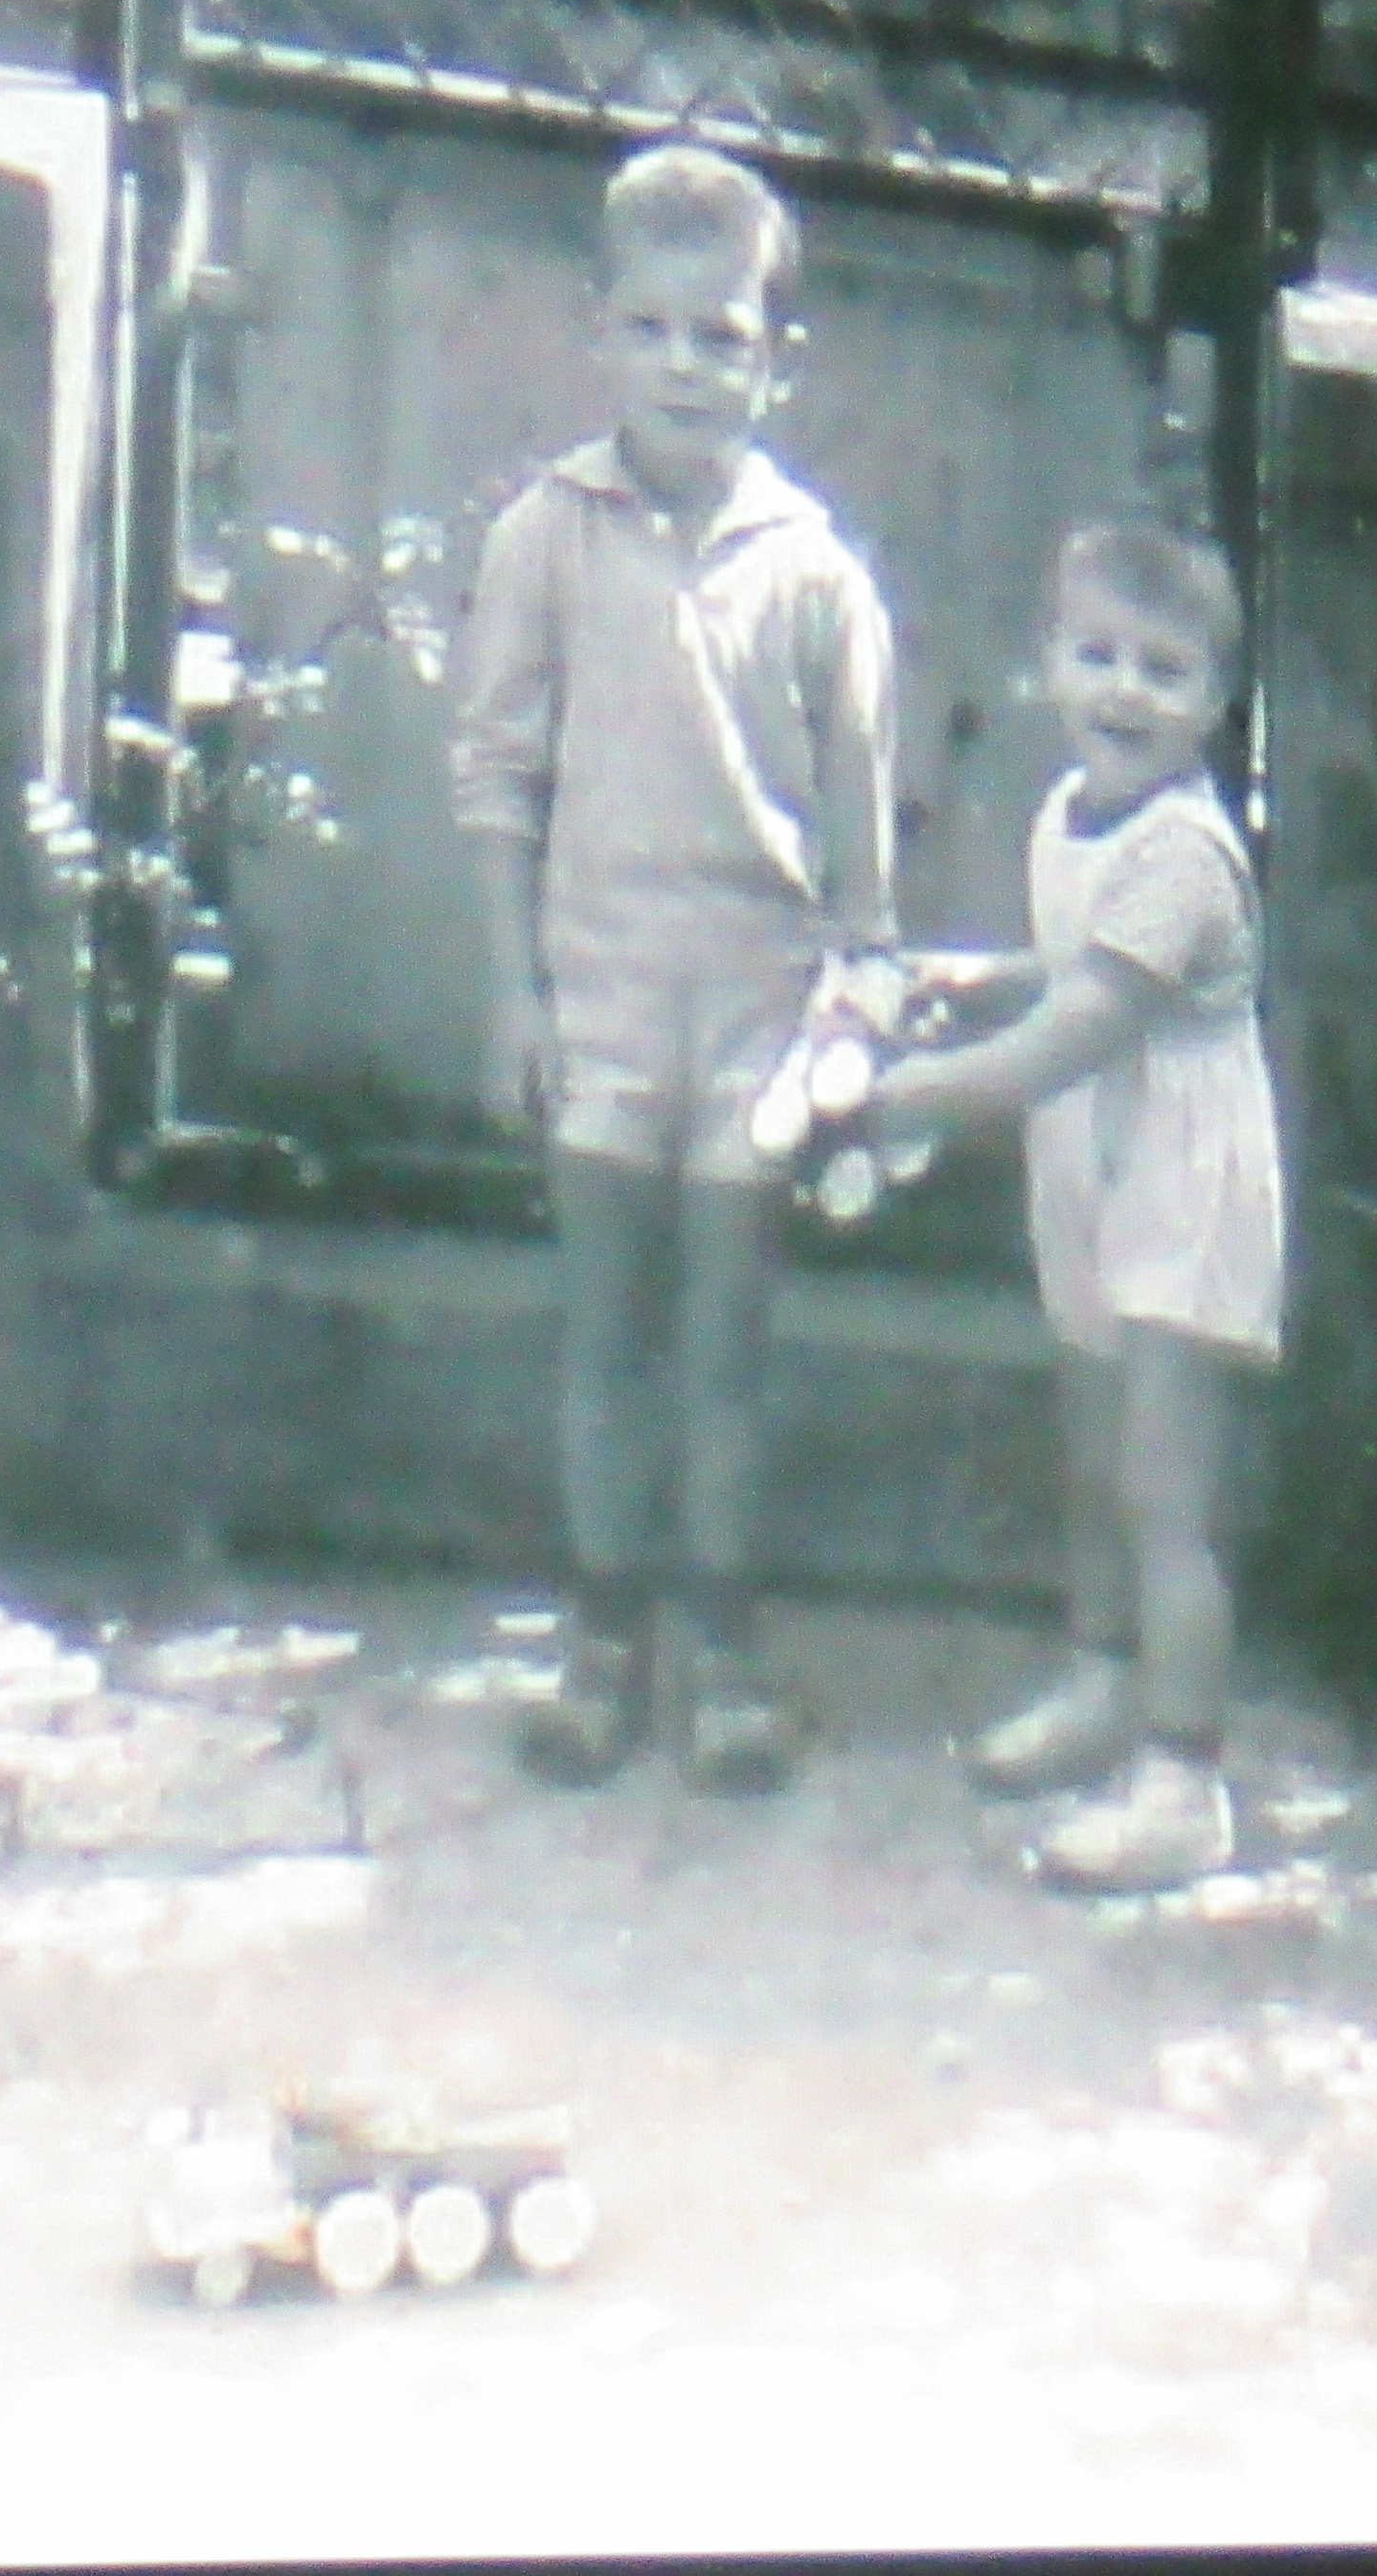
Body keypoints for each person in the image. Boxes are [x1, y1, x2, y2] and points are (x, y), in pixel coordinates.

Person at [449, 140, 899, 1796]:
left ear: (782, 359)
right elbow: (497, 773)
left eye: (723, 335)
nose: (685, 365)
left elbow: (861, 841)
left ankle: (722, 1651)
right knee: (603, 1341)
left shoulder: (820, 575)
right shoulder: (546, 537)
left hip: (760, 1025)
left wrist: (854, 1008)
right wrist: (515, 991)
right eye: (649, 328)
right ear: (598, 333)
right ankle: (599, 1641)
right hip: (603, 1006)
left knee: (724, 1349)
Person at [869, 516, 1284, 1895]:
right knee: (1093, 1455)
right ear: (1048, 659)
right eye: (1098, 654)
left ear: (1215, 699)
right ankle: (1104, 1683)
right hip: (1091, 1166)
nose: (1124, 690)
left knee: (1165, 1491)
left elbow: (1083, 1029)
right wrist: (969, 980)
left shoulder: (1187, 857)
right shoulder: (1071, 810)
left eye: (1164, 668)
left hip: (1179, 1178)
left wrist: (913, 1094)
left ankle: (1184, 1780)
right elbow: (1065, 967)